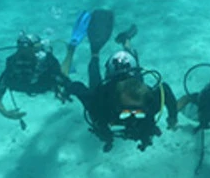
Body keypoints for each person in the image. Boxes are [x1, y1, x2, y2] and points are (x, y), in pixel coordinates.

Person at [67, 14, 179, 153]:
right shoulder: (100, 103)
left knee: (133, 67)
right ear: (115, 102)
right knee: (94, 80)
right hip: (110, 86)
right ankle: (94, 53)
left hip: (131, 77)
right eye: (126, 111)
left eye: (138, 111)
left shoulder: (150, 101)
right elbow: (78, 88)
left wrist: (173, 116)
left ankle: (126, 39)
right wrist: (65, 87)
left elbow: (165, 91)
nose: (132, 115)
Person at [0, 10, 93, 129]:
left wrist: (65, 91)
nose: (22, 58)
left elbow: (64, 80)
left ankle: (71, 49)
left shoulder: (46, 61)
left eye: (26, 52)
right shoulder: (12, 64)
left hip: (45, 84)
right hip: (31, 86)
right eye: (20, 52)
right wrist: (6, 113)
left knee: (63, 75)